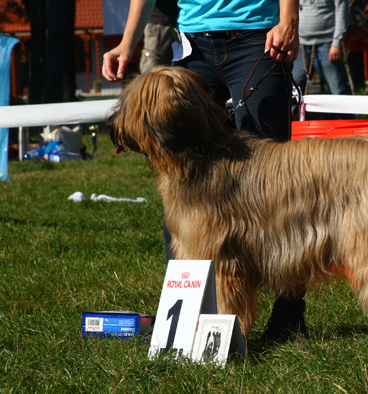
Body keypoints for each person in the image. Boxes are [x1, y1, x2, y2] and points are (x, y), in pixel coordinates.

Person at [103, 0, 308, 343]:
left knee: (275, 185)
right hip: (195, 42)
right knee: (179, 180)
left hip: (258, 37)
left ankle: (289, 315)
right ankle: (186, 315)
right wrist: (127, 42)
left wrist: (289, 20)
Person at [292, 0, 352, 96]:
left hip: (327, 45)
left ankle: (346, 111)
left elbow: (342, 10)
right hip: (300, 44)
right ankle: (292, 111)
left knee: (338, 88)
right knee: (294, 91)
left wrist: (336, 42)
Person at [138, 0, 179, 74]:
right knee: (152, 61)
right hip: (157, 22)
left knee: (173, 64)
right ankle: (148, 85)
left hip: (177, 22)